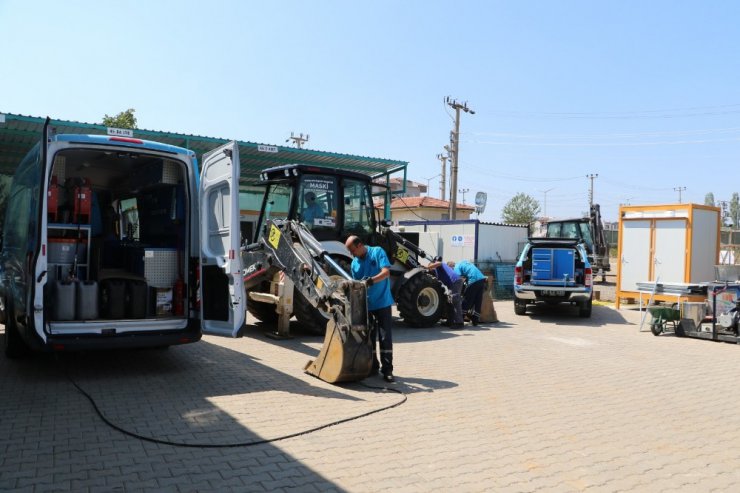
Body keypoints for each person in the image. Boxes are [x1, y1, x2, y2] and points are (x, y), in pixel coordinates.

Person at [344, 235, 395, 382]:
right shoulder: (355, 264)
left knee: (385, 337)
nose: (352, 254)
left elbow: (386, 273)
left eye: (353, 250)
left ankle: (387, 369)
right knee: (369, 338)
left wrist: (371, 281)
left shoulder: (377, 252)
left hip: (383, 303)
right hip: (367, 305)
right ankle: (372, 366)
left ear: (360, 245)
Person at [427, 256, 464, 328]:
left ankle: (459, 323)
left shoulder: (440, 265)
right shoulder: (437, 272)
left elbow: (439, 263)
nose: (430, 268)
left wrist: (427, 267)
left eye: (431, 265)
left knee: (455, 301)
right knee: (449, 302)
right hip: (451, 284)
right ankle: (450, 321)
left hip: (455, 281)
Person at [449, 260, 486, 325]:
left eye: (450, 269)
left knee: (467, 300)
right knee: (478, 301)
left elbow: (459, 279)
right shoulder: (463, 262)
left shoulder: (456, 267)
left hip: (473, 280)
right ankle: (475, 320)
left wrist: (459, 292)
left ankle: (460, 319)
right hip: (482, 279)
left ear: (451, 266)